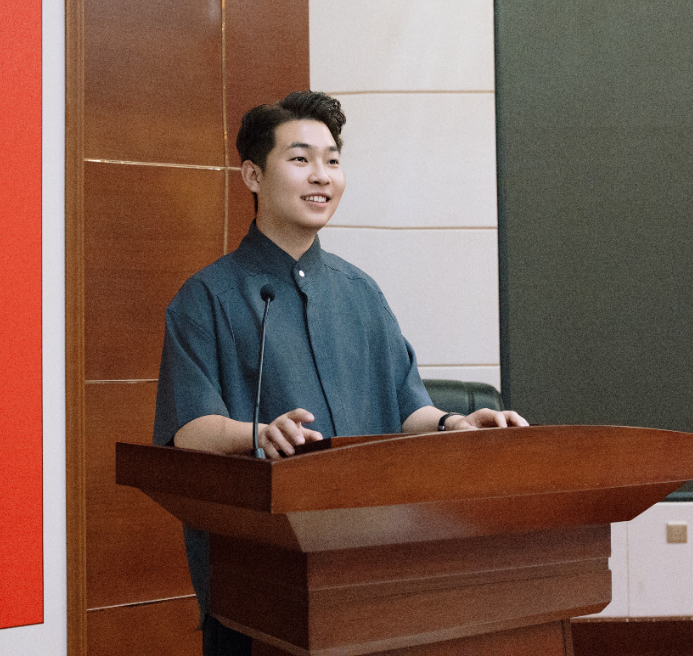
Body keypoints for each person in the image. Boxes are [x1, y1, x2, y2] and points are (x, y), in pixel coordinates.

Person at [153, 91, 528, 656]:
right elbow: (188, 429)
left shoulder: (361, 293)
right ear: (253, 175)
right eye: (300, 159)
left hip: (371, 577)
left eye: (332, 160)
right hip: (258, 589)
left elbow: (408, 408)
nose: (321, 176)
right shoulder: (207, 297)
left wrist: (454, 424)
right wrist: (259, 434)